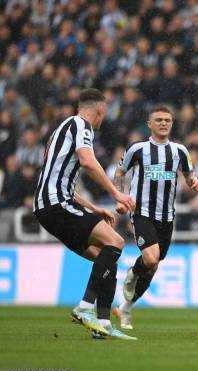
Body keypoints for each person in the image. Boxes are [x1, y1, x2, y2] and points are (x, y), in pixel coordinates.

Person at [33, 88, 137, 340]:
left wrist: (92, 207)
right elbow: (88, 162)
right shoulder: (81, 125)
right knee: (116, 242)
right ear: (100, 109)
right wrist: (116, 194)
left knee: (106, 258)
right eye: (105, 112)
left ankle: (102, 325)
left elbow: (57, 178)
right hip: (57, 205)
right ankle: (85, 307)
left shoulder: (62, 128)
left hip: (49, 206)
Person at [112, 105, 198, 329]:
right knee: (150, 259)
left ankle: (125, 309)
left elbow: (190, 175)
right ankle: (133, 272)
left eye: (168, 120)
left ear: (172, 124)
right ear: (149, 124)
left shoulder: (180, 150)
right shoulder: (138, 149)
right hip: (142, 212)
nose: (163, 123)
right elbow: (120, 172)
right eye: (159, 120)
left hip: (167, 217)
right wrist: (120, 197)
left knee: (153, 267)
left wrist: (194, 182)